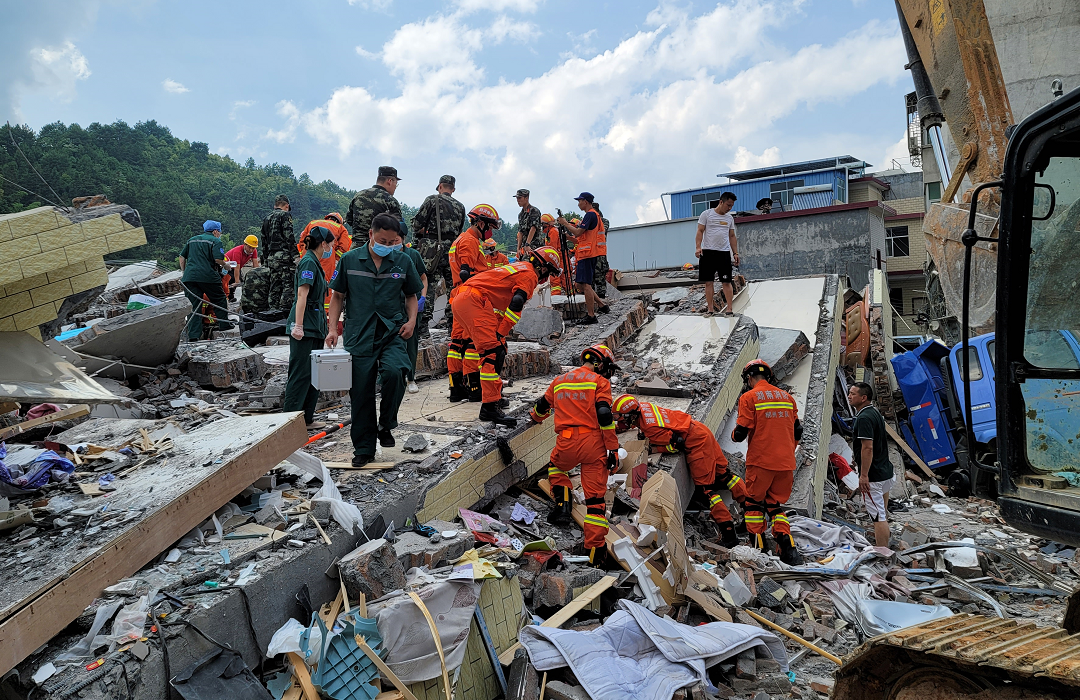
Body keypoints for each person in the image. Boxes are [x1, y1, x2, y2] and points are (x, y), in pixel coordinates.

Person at [326, 213, 422, 467]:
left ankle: (386, 423)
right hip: (360, 334)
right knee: (361, 392)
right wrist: (333, 328)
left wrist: (411, 321)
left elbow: (411, 295)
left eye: (393, 242)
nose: (388, 246)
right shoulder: (349, 260)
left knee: (395, 372)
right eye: (383, 240)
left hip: (392, 332)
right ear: (370, 234)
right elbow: (338, 296)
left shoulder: (402, 261)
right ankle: (364, 448)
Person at [529, 343, 620, 568]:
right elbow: (604, 414)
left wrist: (535, 418)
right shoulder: (600, 382)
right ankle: (595, 556)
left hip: (566, 441)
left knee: (557, 467)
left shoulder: (560, 381)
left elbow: (542, 406)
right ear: (599, 363)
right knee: (596, 502)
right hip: (594, 444)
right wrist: (613, 448)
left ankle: (563, 504)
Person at [613, 395, 747, 548]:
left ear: (631, 415)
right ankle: (752, 511)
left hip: (697, 444)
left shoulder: (650, 427)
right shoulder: (642, 408)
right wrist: (616, 427)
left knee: (707, 491)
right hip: (701, 431)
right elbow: (632, 423)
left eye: (620, 417)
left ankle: (729, 534)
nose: (619, 419)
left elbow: (677, 444)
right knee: (725, 475)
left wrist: (655, 449)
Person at [451, 246, 563, 426]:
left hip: (464, 298)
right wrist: (501, 331)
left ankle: (491, 397)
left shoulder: (520, 267)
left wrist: (499, 334)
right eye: (549, 273)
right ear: (543, 268)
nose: (546, 277)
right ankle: (488, 407)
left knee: (494, 348)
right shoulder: (530, 275)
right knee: (493, 352)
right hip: (473, 300)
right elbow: (517, 302)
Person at [731, 359, 803, 565]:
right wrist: (788, 450)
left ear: (749, 377)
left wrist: (736, 436)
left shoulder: (749, 397)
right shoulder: (787, 397)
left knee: (753, 503)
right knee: (774, 505)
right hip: (786, 462)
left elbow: (741, 432)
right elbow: (798, 430)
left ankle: (759, 548)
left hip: (761, 461)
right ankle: (789, 549)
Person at [446, 204, 500, 403]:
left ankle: (456, 388)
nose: (491, 231)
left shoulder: (460, 239)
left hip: (458, 295)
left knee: (456, 342)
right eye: (490, 226)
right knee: (472, 343)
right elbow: (466, 271)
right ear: (480, 222)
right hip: (471, 295)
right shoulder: (470, 240)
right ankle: (475, 388)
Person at [283, 226, 333, 427]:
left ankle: (307, 419)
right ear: (323, 243)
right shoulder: (308, 262)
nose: (331, 248)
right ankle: (288, 423)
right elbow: (302, 294)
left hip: (315, 325)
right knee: (300, 374)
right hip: (306, 326)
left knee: (314, 373)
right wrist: (298, 325)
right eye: (330, 244)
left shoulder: (315, 262)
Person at [412, 175, 466, 334]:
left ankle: (423, 327)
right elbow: (459, 230)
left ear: (440, 186)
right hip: (453, 252)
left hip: (432, 250)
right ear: (453, 189)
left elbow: (417, 224)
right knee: (453, 287)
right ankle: (453, 325)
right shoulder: (460, 207)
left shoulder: (432, 200)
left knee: (427, 285)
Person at [848, 381, 894, 547]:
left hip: (874, 477)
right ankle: (884, 542)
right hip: (886, 472)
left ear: (863, 397)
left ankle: (882, 554)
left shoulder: (864, 418)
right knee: (882, 512)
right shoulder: (874, 413)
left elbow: (867, 448)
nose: (849, 396)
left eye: (853, 394)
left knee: (878, 517)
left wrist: (864, 475)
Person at [179, 220, 233, 341]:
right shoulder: (215, 241)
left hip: (189, 278)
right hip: (208, 277)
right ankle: (224, 325)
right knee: (219, 299)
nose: (219, 234)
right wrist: (226, 266)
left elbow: (182, 257)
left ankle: (194, 335)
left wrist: (184, 272)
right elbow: (218, 260)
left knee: (194, 306)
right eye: (219, 232)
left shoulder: (192, 240)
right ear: (215, 231)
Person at [558, 192, 604, 324]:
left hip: (588, 254)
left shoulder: (590, 214)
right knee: (579, 284)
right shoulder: (591, 215)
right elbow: (581, 237)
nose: (578, 204)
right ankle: (601, 305)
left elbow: (578, 232)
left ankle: (591, 315)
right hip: (587, 253)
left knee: (585, 285)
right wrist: (569, 237)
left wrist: (566, 223)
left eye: (580, 201)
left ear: (586, 201)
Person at [695, 192, 740, 317]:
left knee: (726, 281)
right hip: (708, 252)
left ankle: (729, 309)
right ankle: (710, 310)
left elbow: (732, 236)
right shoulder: (706, 214)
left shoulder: (729, 218)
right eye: (728, 205)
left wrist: (735, 253)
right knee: (708, 282)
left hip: (724, 253)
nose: (730, 208)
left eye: (731, 206)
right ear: (721, 202)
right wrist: (698, 247)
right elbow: (700, 231)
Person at [298, 213, 352, 316]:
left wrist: (303, 255)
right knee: (325, 285)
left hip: (308, 255)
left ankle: (304, 310)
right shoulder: (340, 228)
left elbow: (302, 241)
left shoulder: (312, 223)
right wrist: (336, 260)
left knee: (305, 284)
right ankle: (324, 313)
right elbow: (343, 248)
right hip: (327, 258)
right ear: (339, 221)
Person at [347, 166, 403, 247]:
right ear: (390, 181)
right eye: (396, 184)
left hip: (356, 247)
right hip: (377, 248)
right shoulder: (390, 200)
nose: (395, 187)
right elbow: (398, 227)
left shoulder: (359, 195)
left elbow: (349, 219)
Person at [400, 233, 428, 395]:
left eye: (397, 239)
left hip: (413, 303)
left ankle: (411, 378)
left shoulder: (413, 255)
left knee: (411, 341)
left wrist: (422, 297)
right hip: (394, 303)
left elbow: (423, 278)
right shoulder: (385, 254)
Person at [261, 194, 296, 312]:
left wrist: (265, 260)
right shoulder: (285, 215)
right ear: (286, 206)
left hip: (271, 258)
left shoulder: (267, 218)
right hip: (284, 257)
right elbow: (289, 237)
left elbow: (264, 241)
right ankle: (284, 313)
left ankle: (272, 313)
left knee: (274, 286)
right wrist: (296, 256)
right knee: (288, 286)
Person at [223, 235, 260, 299]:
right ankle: (228, 297)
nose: (251, 250)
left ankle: (231, 296)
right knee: (230, 280)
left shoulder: (254, 251)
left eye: (253, 248)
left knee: (238, 279)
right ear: (245, 245)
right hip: (227, 266)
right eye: (249, 247)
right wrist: (237, 282)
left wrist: (258, 277)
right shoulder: (238, 251)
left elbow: (255, 266)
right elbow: (236, 268)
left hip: (237, 266)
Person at [515, 189, 542, 255]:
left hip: (534, 245)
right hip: (525, 246)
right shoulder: (521, 215)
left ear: (526, 198)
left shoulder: (534, 211)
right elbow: (521, 232)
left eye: (520, 198)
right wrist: (518, 249)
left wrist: (527, 244)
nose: (518, 200)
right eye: (517, 198)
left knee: (527, 262)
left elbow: (533, 228)